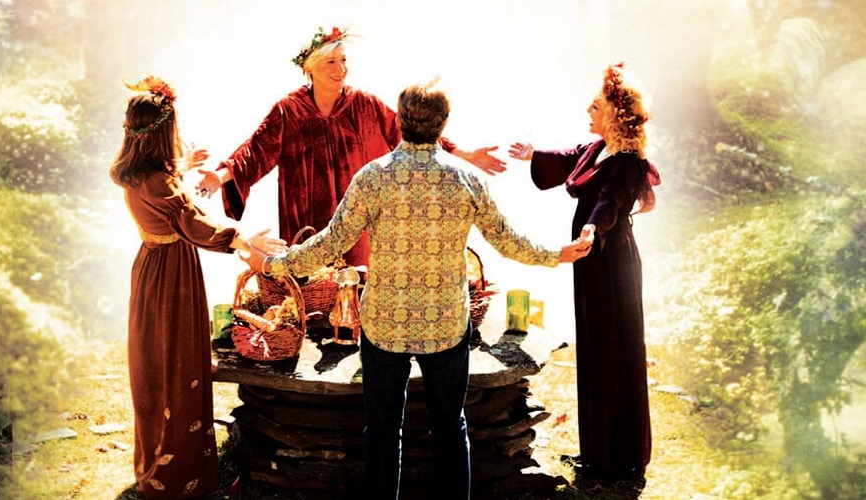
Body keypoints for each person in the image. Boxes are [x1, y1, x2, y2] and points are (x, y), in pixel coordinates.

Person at [241, 81, 591, 499]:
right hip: (445, 325)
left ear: (401, 121)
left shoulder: (373, 178)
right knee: (450, 427)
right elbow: (507, 241)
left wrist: (273, 265)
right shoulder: (466, 180)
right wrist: (557, 254)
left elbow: (329, 244)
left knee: (383, 430)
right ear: (443, 123)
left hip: (384, 325)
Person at [197, 26, 507, 268]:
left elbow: (411, 131)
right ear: (310, 68)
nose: (341, 68)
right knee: (314, 290)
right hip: (308, 219)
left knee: (358, 287)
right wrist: (219, 177)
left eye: (344, 60)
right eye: (331, 61)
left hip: (358, 218)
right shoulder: (288, 111)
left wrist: (464, 155)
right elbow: (255, 152)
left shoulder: (364, 104)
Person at [110, 76, 285, 500]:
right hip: (173, 276)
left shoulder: (135, 174)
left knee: (154, 362)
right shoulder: (161, 183)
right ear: (163, 133)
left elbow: (172, 202)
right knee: (179, 361)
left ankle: (155, 461)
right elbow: (193, 222)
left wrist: (183, 167)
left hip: (150, 267)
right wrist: (244, 240)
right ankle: (181, 475)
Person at [508, 62, 661, 480]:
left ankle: (620, 457)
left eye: (595, 107)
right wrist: (532, 155)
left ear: (614, 114)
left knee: (614, 347)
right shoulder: (597, 149)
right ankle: (596, 451)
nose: (588, 111)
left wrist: (593, 228)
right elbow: (567, 159)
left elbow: (610, 200)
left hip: (613, 261)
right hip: (590, 258)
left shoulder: (628, 162)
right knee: (593, 347)